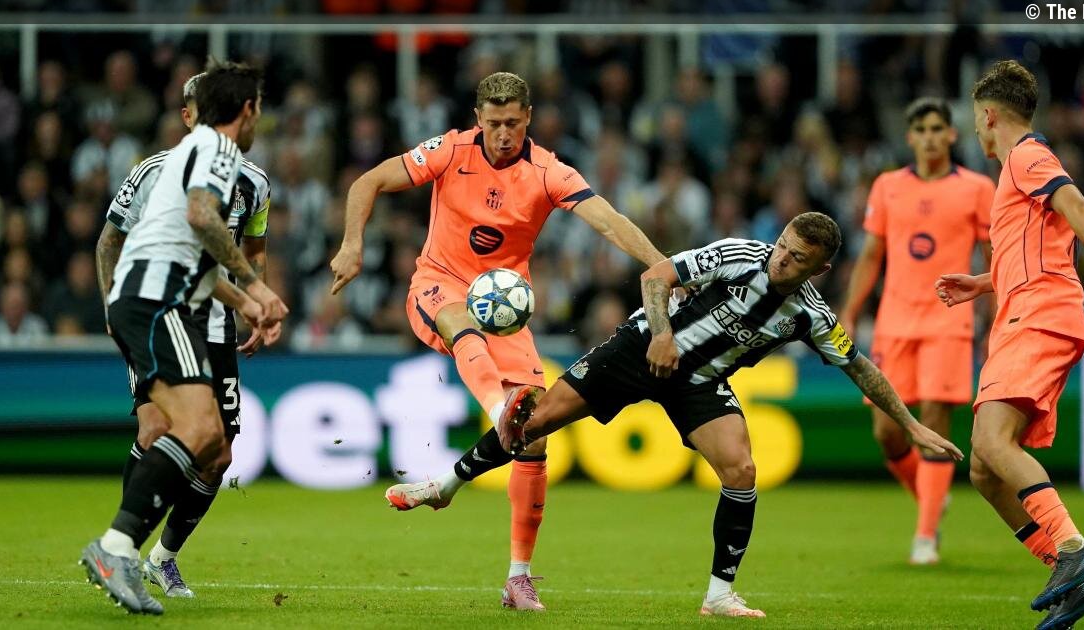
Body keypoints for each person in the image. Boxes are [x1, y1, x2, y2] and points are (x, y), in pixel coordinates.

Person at [388, 213, 963, 618]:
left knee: (741, 470)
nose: (782, 259)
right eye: (783, 246)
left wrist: (911, 425)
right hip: (641, 348)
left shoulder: (810, 314)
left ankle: (719, 595)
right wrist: (663, 333)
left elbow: (859, 366)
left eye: (797, 259)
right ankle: (444, 486)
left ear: (821, 267)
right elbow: (656, 275)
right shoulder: (740, 254)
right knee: (532, 424)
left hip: (700, 382)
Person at [328, 71, 666, 611]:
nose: (503, 134)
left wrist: (662, 264)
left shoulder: (549, 171)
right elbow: (366, 182)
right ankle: (496, 407)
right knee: (461, 324)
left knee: (535, 437)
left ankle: (517, 577)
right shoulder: (449, 150)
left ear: (528, 118)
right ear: (478, 119)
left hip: (504, 312)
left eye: (512, 123)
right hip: (439, 285)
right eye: (493, 124)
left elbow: (608, 221)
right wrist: (352, 245)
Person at [937, 60, 1084, 630]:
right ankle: (1069, 574)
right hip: (1024, 311)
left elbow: (1076, 206)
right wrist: (982, 282)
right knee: (984, 469)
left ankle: (1073, 549)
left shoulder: (1026, 156)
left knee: (993, 440)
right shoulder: (1016, 171)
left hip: (1037, 314)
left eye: (975, 120)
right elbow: (1038, 248)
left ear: (990, 115)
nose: (975, 131)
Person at [80, 60, 287, 616]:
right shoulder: (218, 151)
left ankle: (129, 551)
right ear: (247, 110)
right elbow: (201, 218)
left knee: (212, 439)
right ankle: (117, 548)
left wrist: (248, 303)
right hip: (157, 301)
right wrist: (254, 285)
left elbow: (192, 255)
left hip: (160, 298)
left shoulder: (192, 154)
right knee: (190, 429)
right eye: (258, 108)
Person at [839, 97, 995, 565]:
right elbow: (871, 254)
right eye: (921, 130)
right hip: (894, 322)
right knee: (887, 432)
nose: (929, 137)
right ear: (910, 137)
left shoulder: (977, 188)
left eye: (937, 129)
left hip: (949, 320)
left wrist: (998, 318)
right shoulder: (888, 186)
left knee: (933, 416)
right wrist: (850, 311)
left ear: (951, 134)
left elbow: (994, 259)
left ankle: (925, 536)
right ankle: (931, 497)